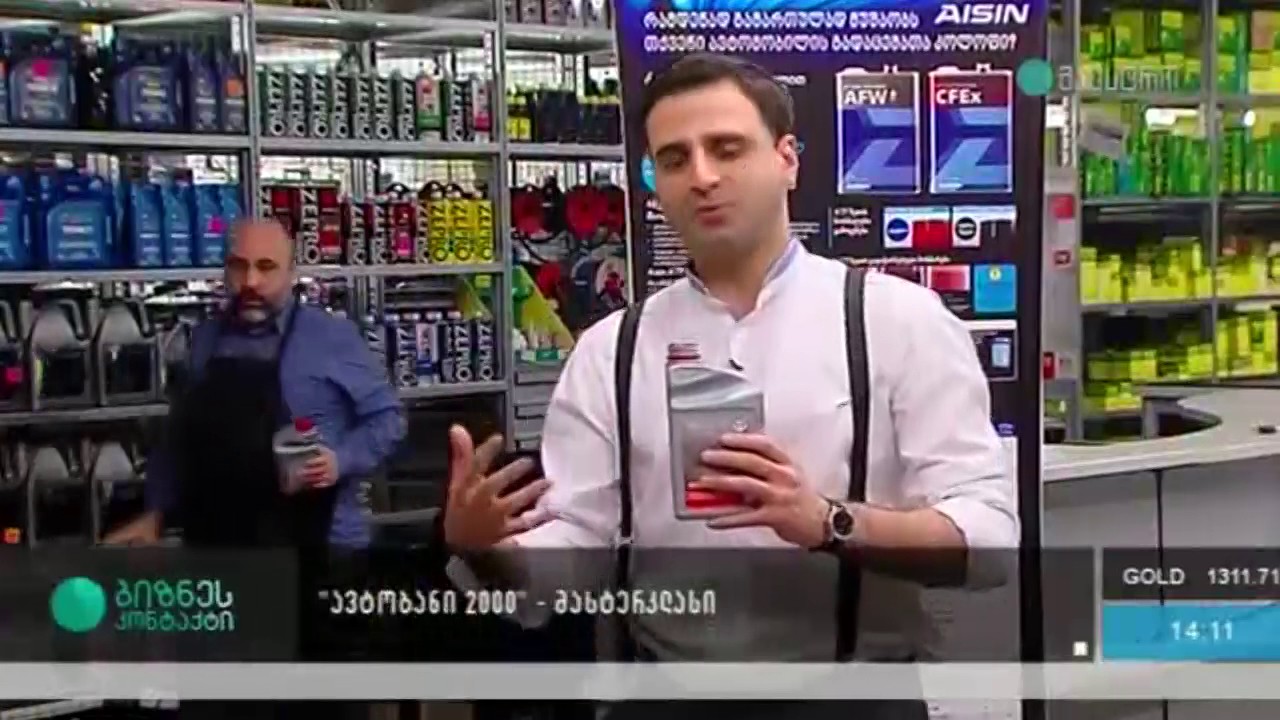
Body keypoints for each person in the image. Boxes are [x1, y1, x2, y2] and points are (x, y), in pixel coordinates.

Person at [443, 53, 1018, 719]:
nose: (703, 177)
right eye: (675, 159)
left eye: (727, 148)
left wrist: (829, 521)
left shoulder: (897, 321)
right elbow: (574, 556)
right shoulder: (612, 351)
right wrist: (489, 553)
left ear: (787, 160)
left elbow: (990, 544)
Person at [105, 219, 406, 717]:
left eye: (266, 268)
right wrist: (155, 513)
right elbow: (178, 442)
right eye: (239, 266)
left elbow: (389, 419)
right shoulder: (204, 341)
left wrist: (341, 459)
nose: (250, 282)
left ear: (292, 273)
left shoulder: (330, 338)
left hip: (320, 565)